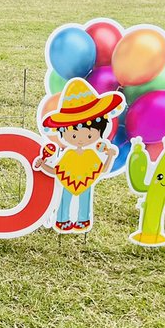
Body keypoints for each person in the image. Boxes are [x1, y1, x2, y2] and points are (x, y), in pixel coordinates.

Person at [34, 77, 124, 234]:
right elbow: (57, 172)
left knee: (84, 198)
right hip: (68, 181)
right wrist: (43, 165)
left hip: (86, 181)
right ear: (63, 132)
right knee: (65, 198)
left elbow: (102, 170)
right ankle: (62, 219)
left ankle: (83, 220)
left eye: (89, 135)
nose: (82, 139)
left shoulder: (92, 154)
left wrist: (110, 155)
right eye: (74, 136)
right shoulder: (68, 155)